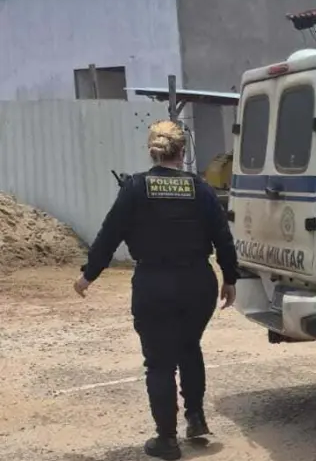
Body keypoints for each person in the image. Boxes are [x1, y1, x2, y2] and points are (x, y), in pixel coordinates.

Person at [73, 119, 239, 461]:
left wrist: (89, 275)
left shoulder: (135, 188)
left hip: (154, 284)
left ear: (153, 151)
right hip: (198, 283)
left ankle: (167, 439)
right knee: (189, 347)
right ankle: (196, 419)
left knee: (160, 362)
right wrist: (230, 278)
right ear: (182, 151)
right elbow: (223, 236)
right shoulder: (201, 188)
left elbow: (109, 234)